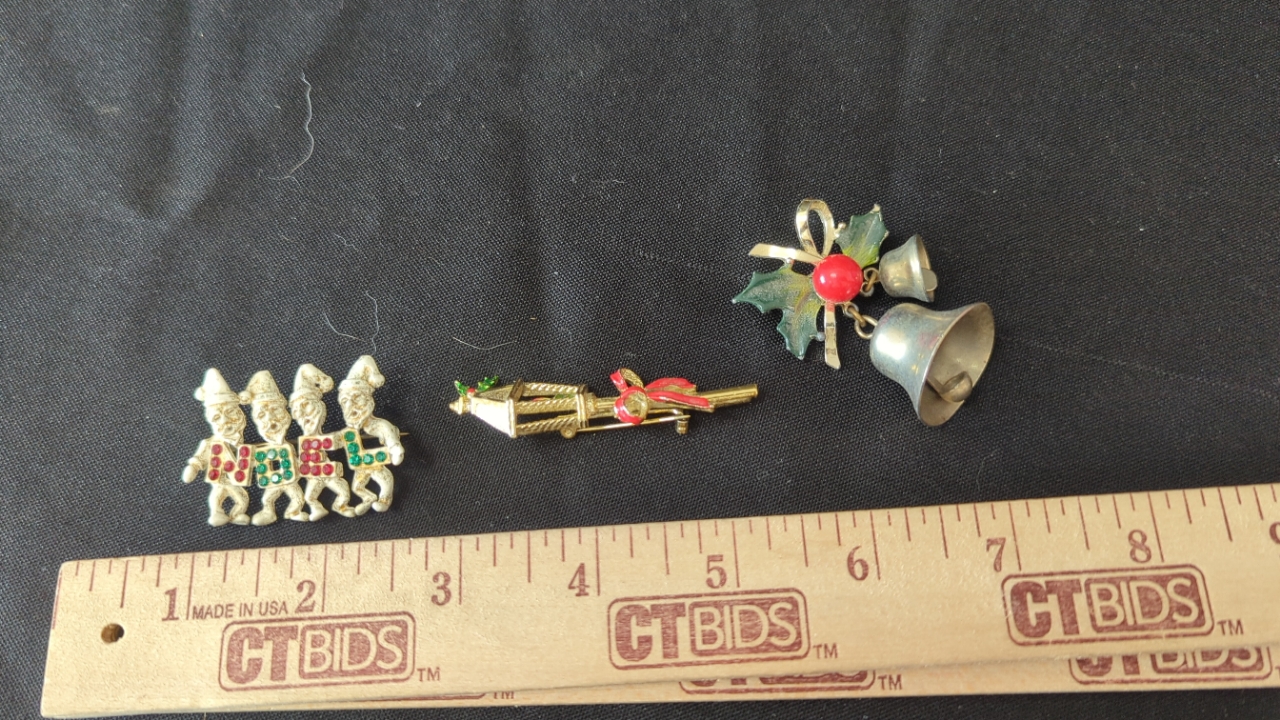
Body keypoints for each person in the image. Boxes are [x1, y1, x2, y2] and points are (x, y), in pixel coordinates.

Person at [182, 368, 252, 527]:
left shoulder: (242, 444)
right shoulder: (209, 443)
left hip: (235, 479)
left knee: (243, 499)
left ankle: (237, 514)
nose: (225, 420)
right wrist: (193, 467)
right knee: (216, 497)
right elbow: (200, 458)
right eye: (217, 417)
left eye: (230, 412)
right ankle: (217, 513)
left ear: (240, 414)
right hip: (219, 478)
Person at [337, 355, 404, 514]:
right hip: (361, 462)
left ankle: (385, 497)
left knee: (382, 476)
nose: (351, 406)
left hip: (372, 460)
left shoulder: (376, 425)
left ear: (368, 400)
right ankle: (368, 498)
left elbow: (385, 428)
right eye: (345, 401)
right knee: (357, 487)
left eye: (356, 398)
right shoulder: (349, 431)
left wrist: (394, 447)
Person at [290, 363, 355, 521]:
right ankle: (317, 508)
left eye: (306, 406)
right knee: (309, 497)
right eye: (297, 410)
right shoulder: (305, 441)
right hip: (314, 475)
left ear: (320, 408)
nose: (303, 415)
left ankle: (340, 505)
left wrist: (345, 435)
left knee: (344, 492)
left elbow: (336, 441)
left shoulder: (323, 439)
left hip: (327, 472)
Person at [243, 370, 307, 525]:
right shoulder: (261, 450)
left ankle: (293, 512)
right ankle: (268, 512)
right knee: (267, 499)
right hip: (273, 479)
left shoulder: (288, 445)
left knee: (298, 498)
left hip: (290, 478)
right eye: (261, 415)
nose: (270, 419)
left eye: (275, 410)